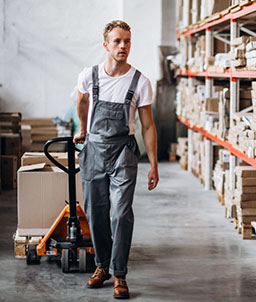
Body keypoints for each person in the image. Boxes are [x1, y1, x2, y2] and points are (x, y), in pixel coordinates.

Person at [73, 20, 159, 299]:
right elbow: (82, 101)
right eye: (117, 41)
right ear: (106, 45)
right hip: (94, 150)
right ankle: (101, 266)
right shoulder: (90, 75)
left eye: (127, 41)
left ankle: (119, 273)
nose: (123, 46)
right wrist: (83, 130)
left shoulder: (139, 81)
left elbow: (148, 126)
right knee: (96, 212)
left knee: (121, 214)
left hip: (124, 152)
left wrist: (154, 164)